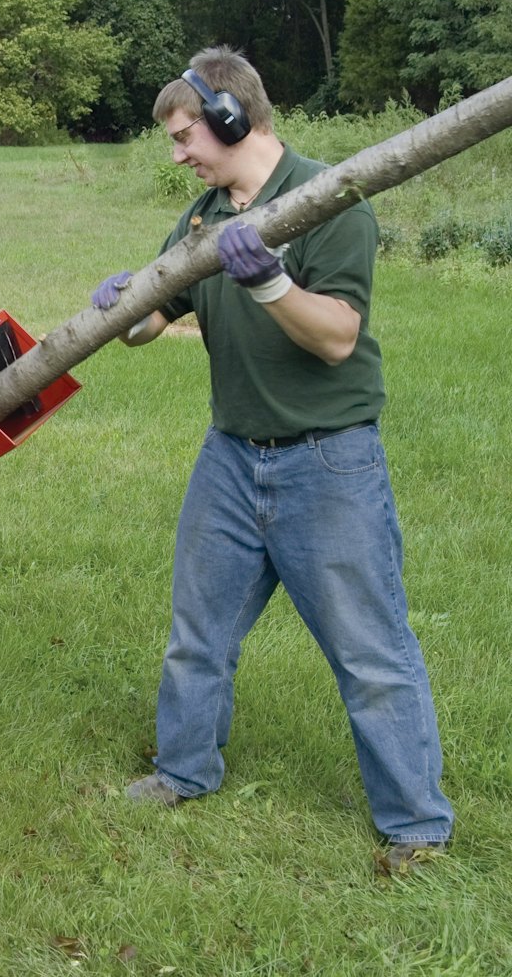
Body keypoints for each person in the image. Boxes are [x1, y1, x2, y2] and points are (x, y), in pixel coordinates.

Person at [92, 46, 453, 875]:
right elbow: (158, 317)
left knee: (370, 650)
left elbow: (337, 336)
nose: (179, 153)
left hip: (328, 464)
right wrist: (126, 304)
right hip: (230, 455)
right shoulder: (201, 218)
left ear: (231, 116)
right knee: (198, 632)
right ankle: (184, 770)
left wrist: (268, 284)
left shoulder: (331, 202)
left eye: (186, 135)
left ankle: (418, 825)